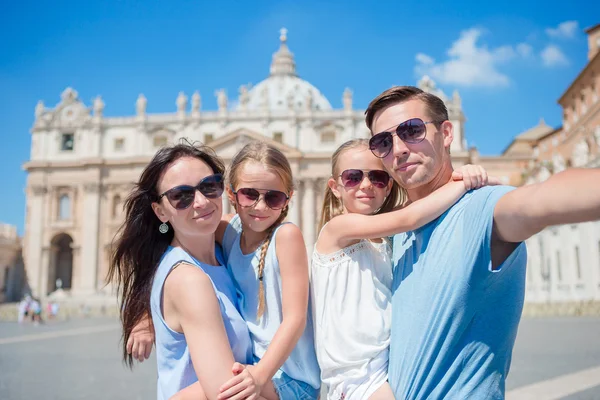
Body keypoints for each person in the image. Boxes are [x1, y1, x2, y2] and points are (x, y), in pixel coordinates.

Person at [364, 85, 600, 399]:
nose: (399, 149)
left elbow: (541, 200)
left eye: (412, 130)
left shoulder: (481, 206)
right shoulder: (397, 233)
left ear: (447, 133)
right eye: (383, 141)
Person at [312, 139, 494, 400]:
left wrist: (469, 174)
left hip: (387, 364)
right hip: (355, 376)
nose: (366, 185)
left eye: (377, 177)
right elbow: (409, 217)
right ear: (335, 187)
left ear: (388, 187)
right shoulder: (336, 229)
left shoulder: (383, 240)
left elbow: (422, 205)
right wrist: (464, 183)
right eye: (352, 177)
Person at [107, 141, 259, 400]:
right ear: (160, 211)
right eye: (181, 196)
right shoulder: (190, 280)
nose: (201, 201)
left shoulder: (223, 252)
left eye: (209, 186)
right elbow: (227, 392)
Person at [218, 141, 320, 399]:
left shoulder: (286, 236)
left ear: (288, 199)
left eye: (273, 197)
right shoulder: (229, 232)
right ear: (232, 195)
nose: (260, 206)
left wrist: (258, 375)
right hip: (255, 366)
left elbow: (295, 319)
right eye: (249, 194)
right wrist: (144, 315)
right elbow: (172, 233)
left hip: (290, 379)